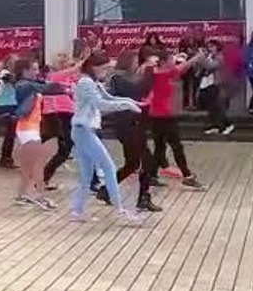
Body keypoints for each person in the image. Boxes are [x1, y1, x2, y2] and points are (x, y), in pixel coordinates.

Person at [69, 51, 145, 223]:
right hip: (84, 130)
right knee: (109, 167)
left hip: (85, 130)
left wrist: (132, 102)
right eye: (104, 68)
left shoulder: (93, 82)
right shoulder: (86, 83)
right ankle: (120, 210)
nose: (106, 72)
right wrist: (127, 105)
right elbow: (100, 103)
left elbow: (109, 97)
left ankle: (77, 211)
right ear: (94, 67)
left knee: (87, 175)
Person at [100, 50, 161, 212]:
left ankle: (106, 190)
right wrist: (148, 70)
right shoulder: (117, 77)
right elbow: (137, 91)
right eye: (134, 61)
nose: (136, 64)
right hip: (128, 125)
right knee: (147, 161)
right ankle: (143, 197)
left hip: (134, 124)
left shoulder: (126, 77)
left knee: (133, 163)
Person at [12, 58, 68, 210]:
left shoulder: (29, 85)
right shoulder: (24, 85)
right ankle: (40, 196)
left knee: (29, 166)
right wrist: (63, 88)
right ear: (25, 70)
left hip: (32, 127)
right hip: (27, 128)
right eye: (34, 69)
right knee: (37, 165)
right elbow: (44, 87)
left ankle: (22, 195)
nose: (37, 72)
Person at [149, 50, 206, 190]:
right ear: (163, 62)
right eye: (170, 59)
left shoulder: (158, 72)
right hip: (164, 116)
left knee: (160, 147)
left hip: (157, 115)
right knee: (176, 146)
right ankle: (187, 176)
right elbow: (182, 67)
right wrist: (196, 58)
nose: (173, 62)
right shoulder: (162, 74)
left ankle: (151, 176)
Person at [41, 53, 79, 189]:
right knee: (63, 147)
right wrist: (88, 58)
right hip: (57, 114)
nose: (67, 63)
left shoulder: (71, 79)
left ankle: (43, 177)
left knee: (65, 149)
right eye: (63, 61)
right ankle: (41, 177)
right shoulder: (54, 76)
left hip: (69, 115)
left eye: (67, 60)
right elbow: (75, 69)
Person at [200, 40, 234, 134]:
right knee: (211, 107)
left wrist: (202, 58)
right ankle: (215, 125)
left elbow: (210, 66)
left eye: (212, 46)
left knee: (217, 106)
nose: (210, 48)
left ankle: (227, 125)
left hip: (217, 84)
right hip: (207, 84)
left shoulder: (220, 57)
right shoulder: (209, 57)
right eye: (209, 46)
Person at [178, 25, 205, 111]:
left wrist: (195, 53)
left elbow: (202, 52)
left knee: (196, 85)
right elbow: (181, 53)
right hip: (186, 66)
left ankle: (194, 103)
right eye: (189, 31)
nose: (191, 33)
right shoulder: (183, 42)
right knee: (186, 85)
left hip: (197, 67)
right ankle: (186, 104)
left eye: (193, 31)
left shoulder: (200, 41)